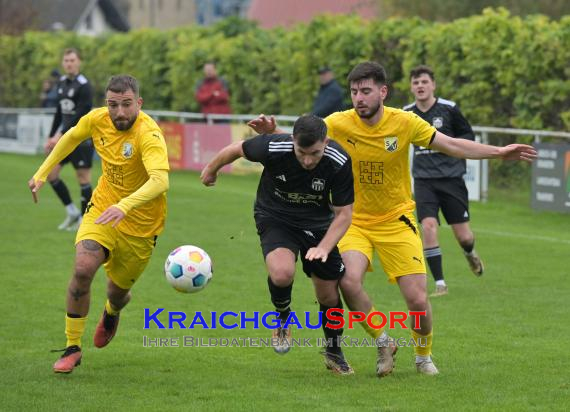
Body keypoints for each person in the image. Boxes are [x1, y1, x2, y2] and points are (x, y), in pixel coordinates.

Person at [248, 61, 536, 377]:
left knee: (417, 298)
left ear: (383, 92)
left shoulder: (405, 122)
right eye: (354, 91)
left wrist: (499, 152)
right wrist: (272, 133)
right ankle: (383, 340)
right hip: (353, 221)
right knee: (348, 281)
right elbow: (306, 141)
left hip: (396, 218)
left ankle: (423, 356)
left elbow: (451, 144)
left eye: (366, 91)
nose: (359, 98)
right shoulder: (339, 123)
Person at [28, 74, 170, 374]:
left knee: (116, 291)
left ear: (139, 103)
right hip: (104, 207)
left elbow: (160, 181)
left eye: (127, 105)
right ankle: (72, 347)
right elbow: (70, 137)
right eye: (113, 105)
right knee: (82, 269)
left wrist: (125, 205)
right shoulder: (97, 119)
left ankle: (113, 309)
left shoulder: (149, 133)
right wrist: (42, 173)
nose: (119, 112)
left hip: (141, 225)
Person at [201, 114, 355, 375]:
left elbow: (344, 214)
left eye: (314, 153)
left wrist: (324, 247)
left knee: (327, 294)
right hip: (275, 216)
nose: (307, 160)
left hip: (318, 225)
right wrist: (211, 169)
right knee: (282, 273)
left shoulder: (338, 161)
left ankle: (333, 351)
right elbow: (236, 149)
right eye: (301, 152)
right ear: (292, 140)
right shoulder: (274, 146)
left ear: (326, 142)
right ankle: (283, 317)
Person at [404, 65, 483, 297]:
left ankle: (470, 253)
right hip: (424, 180)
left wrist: (447, 145)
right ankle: (440, 283)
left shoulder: (449, 109)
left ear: (433, 85)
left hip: (451, 179)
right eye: (416, 82)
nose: (420, 86)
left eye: (424, 82)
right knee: (428, 227)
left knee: (464, 236)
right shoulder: (406, 114)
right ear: (411, 87)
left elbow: (468, 136)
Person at [45, 48, 94, 231]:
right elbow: (59, 112)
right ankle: (72, 211)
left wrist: (60, 135)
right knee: (51, 174)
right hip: (64, 139)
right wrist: (52, 135)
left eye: (72, 60)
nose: (69, 63)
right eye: (66, 60)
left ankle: (85, 219)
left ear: (79, 62)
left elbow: (81, 114)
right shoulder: (61, 83)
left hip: (81, 140)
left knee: (83, 178)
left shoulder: (85, 85)